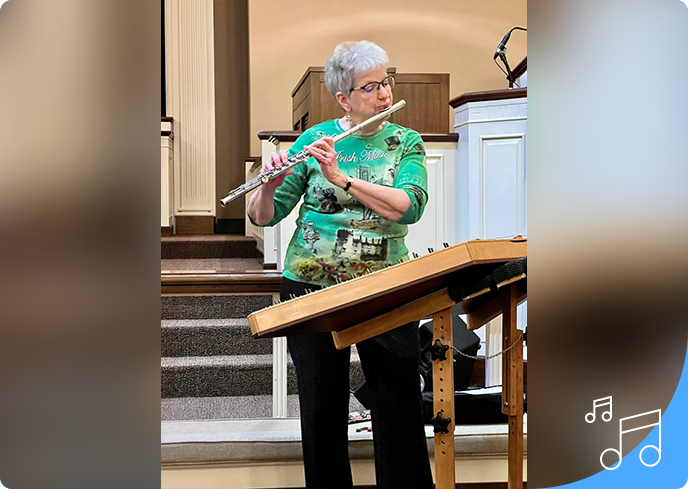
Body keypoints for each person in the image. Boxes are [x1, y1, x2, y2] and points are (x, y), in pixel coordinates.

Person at [248, 40, 433, 489]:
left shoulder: (405, 142)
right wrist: (268, 185)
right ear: (343, 99)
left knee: (398, 400)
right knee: (322, 405)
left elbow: (408, 207)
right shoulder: (315, 140)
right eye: (370, 87)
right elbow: (263, 215)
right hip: (310, 284)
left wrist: (341, 178)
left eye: (386, 80)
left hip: (386, 285)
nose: (384, 94)